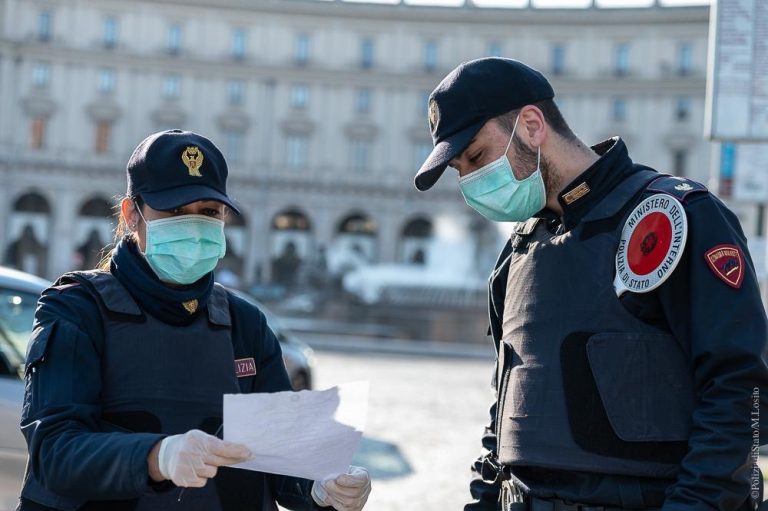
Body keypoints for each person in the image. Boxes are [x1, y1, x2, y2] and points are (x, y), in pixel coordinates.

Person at [414, 57, 768, 511]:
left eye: (477, 157)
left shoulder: (677, 216)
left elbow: (740, 390)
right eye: (460, 169)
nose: (470, 181)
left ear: (531, 124)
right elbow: (502, 421)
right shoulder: (517, 254)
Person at [18, 129, 372, 511]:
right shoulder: (77, 308)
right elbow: (54, 450)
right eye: (174, 211)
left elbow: (284, 461)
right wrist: (158, 456)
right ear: (130, 214)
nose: (194, 226)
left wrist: (322, 486)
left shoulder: (244, 323)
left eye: (208, 212)